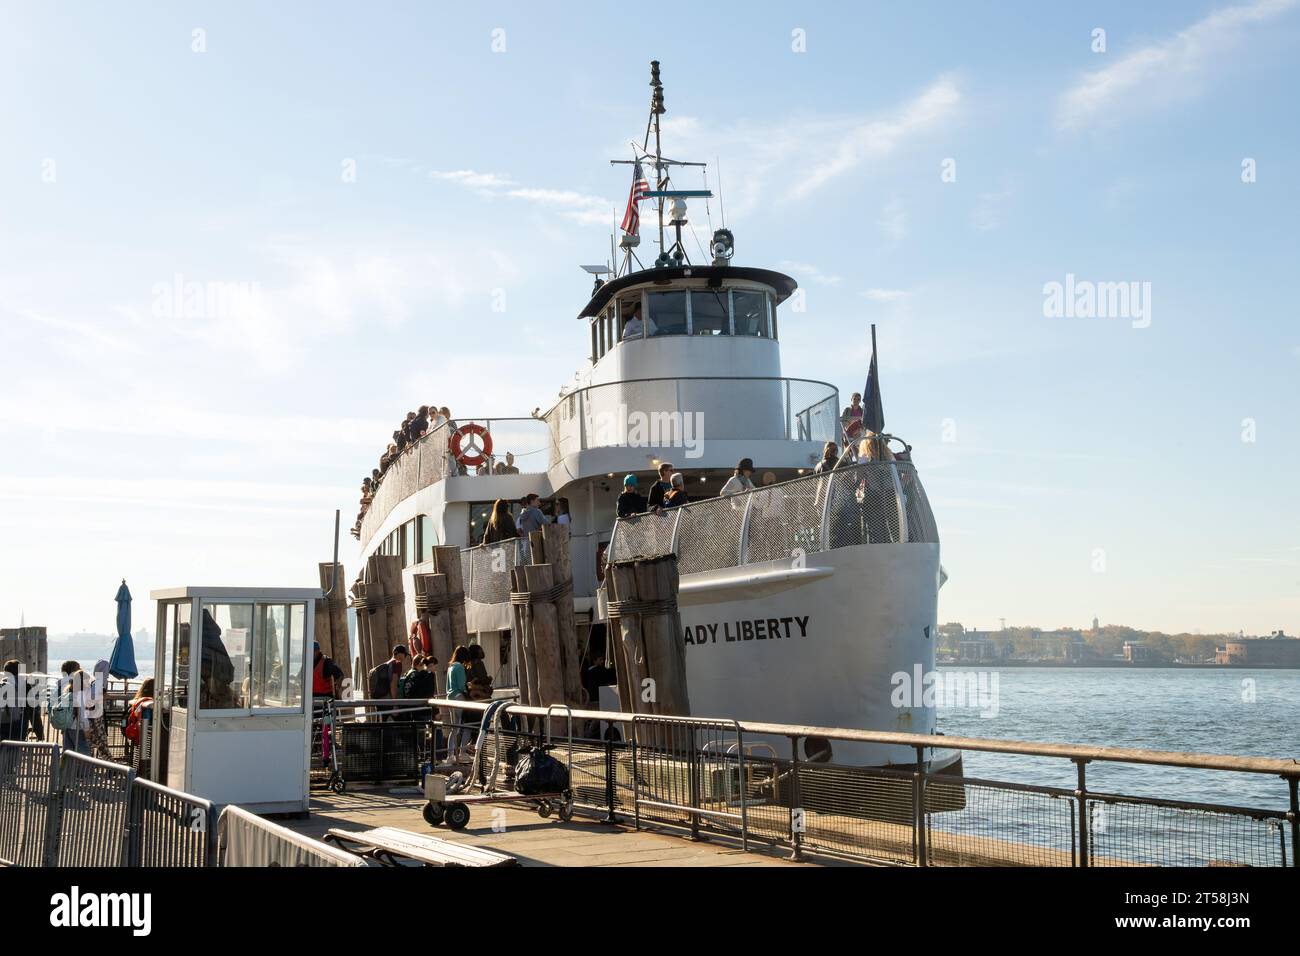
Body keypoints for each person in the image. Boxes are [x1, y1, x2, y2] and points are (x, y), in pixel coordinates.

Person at [367, 645, 409, 720]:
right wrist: (395, 704)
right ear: (399, 654)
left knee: (381, 722)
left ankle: (376, 732)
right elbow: (393, 684)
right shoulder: (397, 664)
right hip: (389, 700)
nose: (405, 657)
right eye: (405, 654)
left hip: (380, 699)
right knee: (403, 722)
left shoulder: (387, 663)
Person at [445, 646, 472, 763]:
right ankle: (463, 752)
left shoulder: (451, 666)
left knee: (454, 728)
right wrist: (469, 687)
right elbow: (462, 686)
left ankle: (450, 755)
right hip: (459, 698)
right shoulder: (460, 667)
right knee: (468, 725)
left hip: (450, 698)